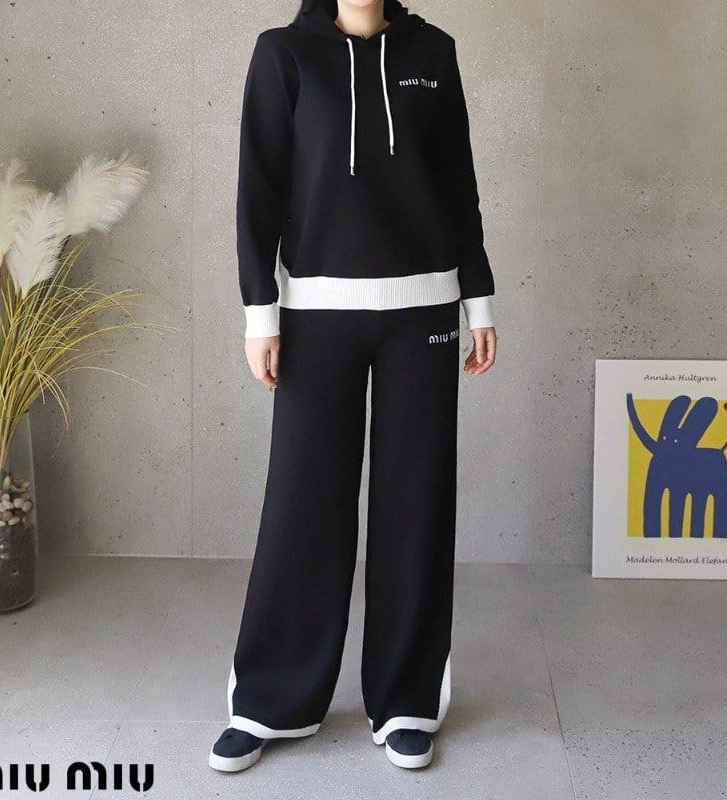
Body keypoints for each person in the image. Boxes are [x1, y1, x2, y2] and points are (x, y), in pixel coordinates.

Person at [209, 0, 498, 773]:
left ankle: (405, 701)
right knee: (303, 505)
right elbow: (258, 189)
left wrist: (478, 298)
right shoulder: (283, 55)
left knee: (416, 506)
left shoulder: (433, 53)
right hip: (316, 317)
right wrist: (259, 313)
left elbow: (458, 182)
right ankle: (271, 701)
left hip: (424, 314)